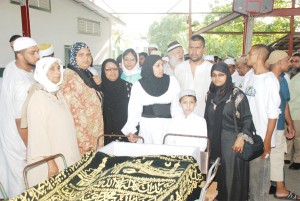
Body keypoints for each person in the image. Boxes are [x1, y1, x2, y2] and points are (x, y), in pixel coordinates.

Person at [23, 57, 81, 187]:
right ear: (42, 72)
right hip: (50, 160)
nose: (57, 72)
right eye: (52, 69)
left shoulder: (57, 93)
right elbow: (39, 135)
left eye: (58, 68)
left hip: (64, 152)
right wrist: (51, 163)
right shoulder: (38, 97)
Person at [204, 62, 253, 201]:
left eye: (221, 75)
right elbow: (206, 119)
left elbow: (247, 118)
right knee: (215, 177)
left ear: (227, 75)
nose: (217, 78)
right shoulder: (210, 94)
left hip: (232, 144)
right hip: (214, 143)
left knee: (231, 179)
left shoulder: (236, 95)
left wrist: (241, 138)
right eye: (213, 75)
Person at [0, 37, 39, 197]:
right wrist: (32, 149)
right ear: (19, 55)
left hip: (9, 133)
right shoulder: (20, 83)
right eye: (32, 53)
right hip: (19, 139)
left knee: (11, 177)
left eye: (37, 51)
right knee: (21, 182)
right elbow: (20, 121)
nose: (37, 56)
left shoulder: (12, 66)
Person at [244, 44, 281, 201]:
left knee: (259, 183)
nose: (247, 57)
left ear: (258, 57)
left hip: (260, 139)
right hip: (246, 137)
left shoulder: (270, 80)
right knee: (247, 181)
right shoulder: (248, 76)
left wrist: (267, 142)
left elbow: (273, 114)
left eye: (250, 54)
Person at [122, 55, 182, 144]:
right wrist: (131, 130)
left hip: (167, 128)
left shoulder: (172, 81)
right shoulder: (138, 85)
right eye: (157, 65)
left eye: (162, 65)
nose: (161, 68)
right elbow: (134, 111)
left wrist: (179, 128)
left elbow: (177, 108)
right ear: (149, 67)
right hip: (147, 129)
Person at [60, 42, 104, 156]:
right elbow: (75, 112)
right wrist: (84, 142)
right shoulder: (70, 77)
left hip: (94, 131)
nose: (86, 58)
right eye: (81, 55)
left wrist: (98, 86)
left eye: (88, 54)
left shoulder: (85, 74)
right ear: (73, 57)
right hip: (84, 140)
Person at [268, 50, 300, 200]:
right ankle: (279, 189)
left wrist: (291, 124)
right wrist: (289, 125)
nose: (289, 63)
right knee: (276, 158)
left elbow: (284, 104)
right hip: (275, 126)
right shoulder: (277, 80)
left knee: (273, 158)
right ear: (280, 62)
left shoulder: (273, 79)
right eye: (288, 60)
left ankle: (275, 186)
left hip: (274, 125)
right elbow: (284, 105)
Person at [174, 34, 213, 117]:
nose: (194, 51)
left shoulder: (211, 69)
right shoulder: (179, 68)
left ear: (204, 49)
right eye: (191, 47)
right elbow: (175, 94)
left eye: (198, 48)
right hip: (181, 117)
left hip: (204, 117)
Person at [100, 58, 132, 145]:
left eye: (115, 68)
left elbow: (135, 110)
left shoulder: (128, 87)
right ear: (103, 71)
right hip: (105, 135)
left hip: (126, 134)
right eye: (108, 69)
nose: (112, 71)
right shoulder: (98, 89)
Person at [286, 53, 300, 170]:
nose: (294, 64)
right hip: (287, 111)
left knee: (297, 137)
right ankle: (287, 156)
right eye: (293, 61)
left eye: (297, 61)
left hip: (297, 112)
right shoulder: (287, 75)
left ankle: (297, 160)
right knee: (288, 135)